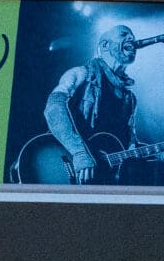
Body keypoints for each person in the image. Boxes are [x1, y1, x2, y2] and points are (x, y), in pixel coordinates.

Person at [41, 24, 140, 184]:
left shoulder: (130, 99)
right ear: (105, 44)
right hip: (64, 161)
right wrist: (79, 153)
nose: (131, 39)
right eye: (124, 34)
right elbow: (54, 107)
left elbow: (130, 148)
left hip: (102, 179)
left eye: (133, 37)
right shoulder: (81, 73)